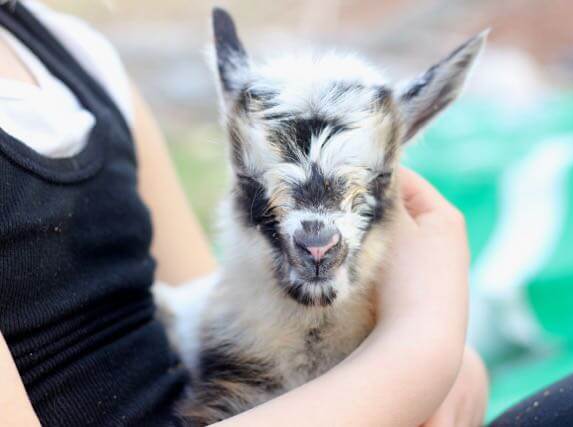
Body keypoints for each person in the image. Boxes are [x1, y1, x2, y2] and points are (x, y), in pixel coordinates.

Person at [0, 1, 488, 426]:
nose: (316, 239)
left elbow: (205, 294)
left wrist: (448, 363)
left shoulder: (75, 56)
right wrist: (420, 350)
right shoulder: (420, 349)